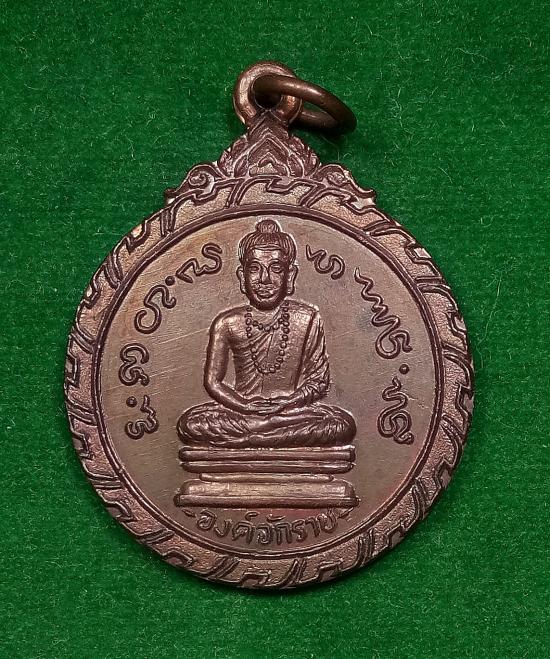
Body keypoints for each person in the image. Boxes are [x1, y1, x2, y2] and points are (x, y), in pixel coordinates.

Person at [177, 219, 356, 447]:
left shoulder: (306, 318)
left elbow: (319, 381)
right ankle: (268, 431)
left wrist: (288, 403)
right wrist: (244, 406)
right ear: (242, 276)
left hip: (290, 412)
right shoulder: (227, 322)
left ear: (290, 276)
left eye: (276, 269)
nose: (265, 279)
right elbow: (213, 382)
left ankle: (259, 436)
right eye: (255, 269)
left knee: (340, 425)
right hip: (240, 412)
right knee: (190, 423)